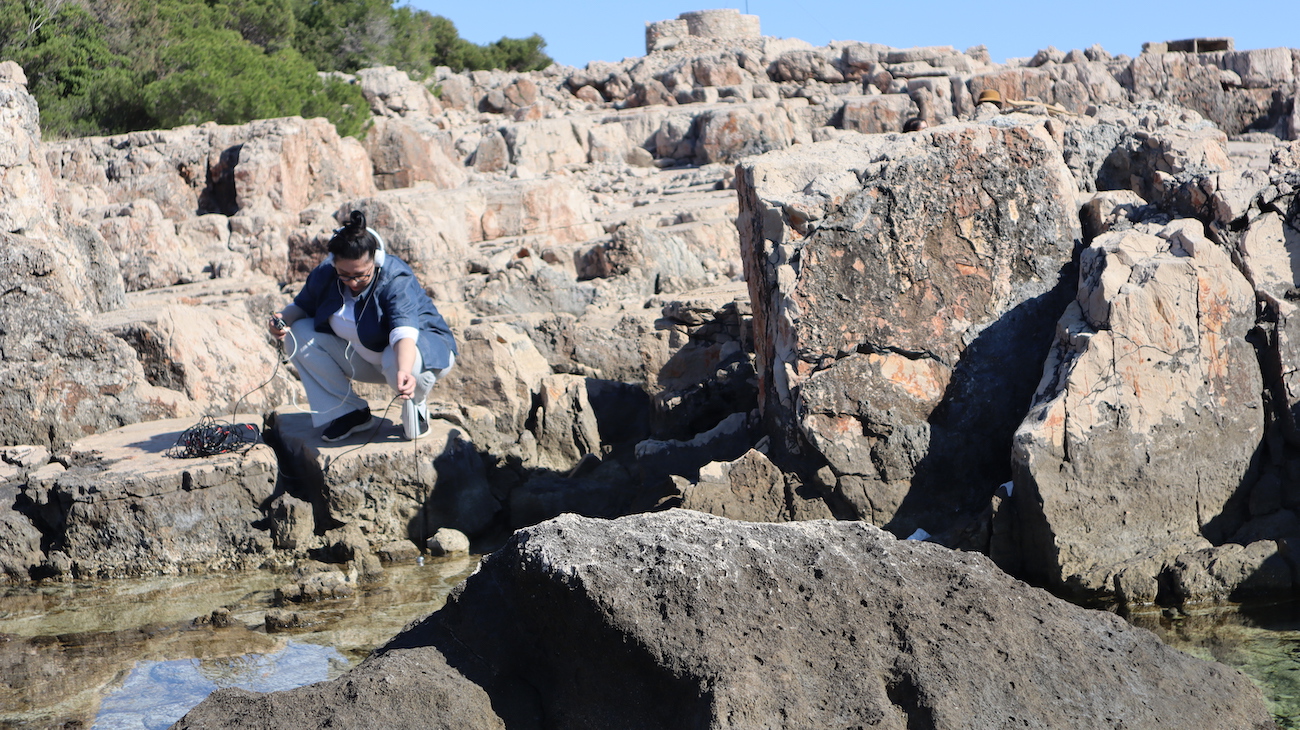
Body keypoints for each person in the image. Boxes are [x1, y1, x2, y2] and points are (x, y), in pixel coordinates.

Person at [268, 210, 457, 442]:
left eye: (361, 276)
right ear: (333, 264)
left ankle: (417, 407)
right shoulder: (326, 274)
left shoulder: (395, 278)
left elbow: (403, 333)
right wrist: (282, 319)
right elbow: (302, 306)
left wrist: (405, 371)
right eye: (344, 275)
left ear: (375, 261)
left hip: (417, 354)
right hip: (368, 357)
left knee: (394, 357)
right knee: (299, 332)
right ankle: (349, 413)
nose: (353, 282)